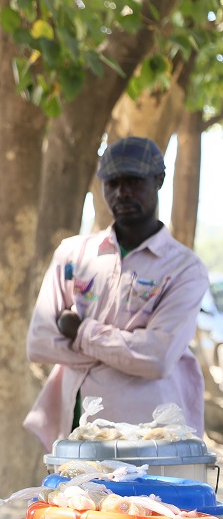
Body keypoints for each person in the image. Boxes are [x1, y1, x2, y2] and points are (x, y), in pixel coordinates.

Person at [23, 136, 209, 451]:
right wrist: (128, 351)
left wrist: (81, 331)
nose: (121, 192)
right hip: (77, 433)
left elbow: (157, 359)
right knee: (78, 502)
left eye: (134, 181)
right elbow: (39, 343)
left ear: (159, 180)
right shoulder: (73, 254)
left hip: (152, 439)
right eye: (112, 182)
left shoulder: (185, 268)